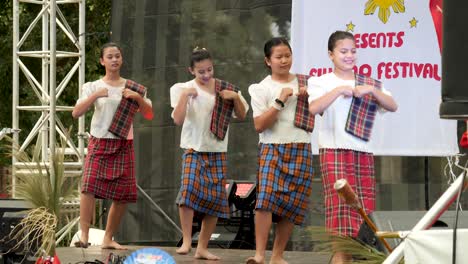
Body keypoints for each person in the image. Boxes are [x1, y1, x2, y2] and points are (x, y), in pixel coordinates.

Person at [308, 30, 398, 264]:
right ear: (331, 54)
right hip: (334, 152)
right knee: (341, 217)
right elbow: (313, 108)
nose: (349, 56)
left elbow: (392, 105)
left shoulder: (368, 82)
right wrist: (338, 90)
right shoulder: (320, 81)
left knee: (362, 219)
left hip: (363, 155)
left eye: (353, 51)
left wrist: (372, 91)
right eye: (343, 51)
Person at [72, 42, 153, 250]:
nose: (114, 59)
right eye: (110, 56)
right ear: (102, 61)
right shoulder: (92, 86)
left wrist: (137, 98)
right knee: (88, 185)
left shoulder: (133, 87)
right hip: (100, 141)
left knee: (123, 193)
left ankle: (108, 238)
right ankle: (84, 234)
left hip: (124, 143)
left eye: (117, 56)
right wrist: (95, 96)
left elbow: (150, 114)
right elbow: (76, 112)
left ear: (121, 59)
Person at [170, 47, 249, 260]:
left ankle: (202, 247)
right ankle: (187, 239)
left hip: (217, 150)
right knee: (187, 193)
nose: (206, 75)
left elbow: (242, 115)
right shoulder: (182, 88)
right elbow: (177, 119)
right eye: (200, 72)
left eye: (209, 70)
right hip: (193, 148)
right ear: (191, 70)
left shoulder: (226, 88)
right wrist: (186, 96)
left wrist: (235, 98)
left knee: (215, 201)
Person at [246, 37, 314, 264]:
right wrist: (279, 101)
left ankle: (277, 255)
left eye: (288, 55)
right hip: (272, 147)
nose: (284, 60)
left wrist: (310, 97)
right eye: (279, 57)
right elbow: (259, 125)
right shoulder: (261, 88)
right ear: (268, 60)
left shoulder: (306, 83)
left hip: (301, 145)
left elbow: (320, 110)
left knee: (292, 203)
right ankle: (259, 255)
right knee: (264, 201)